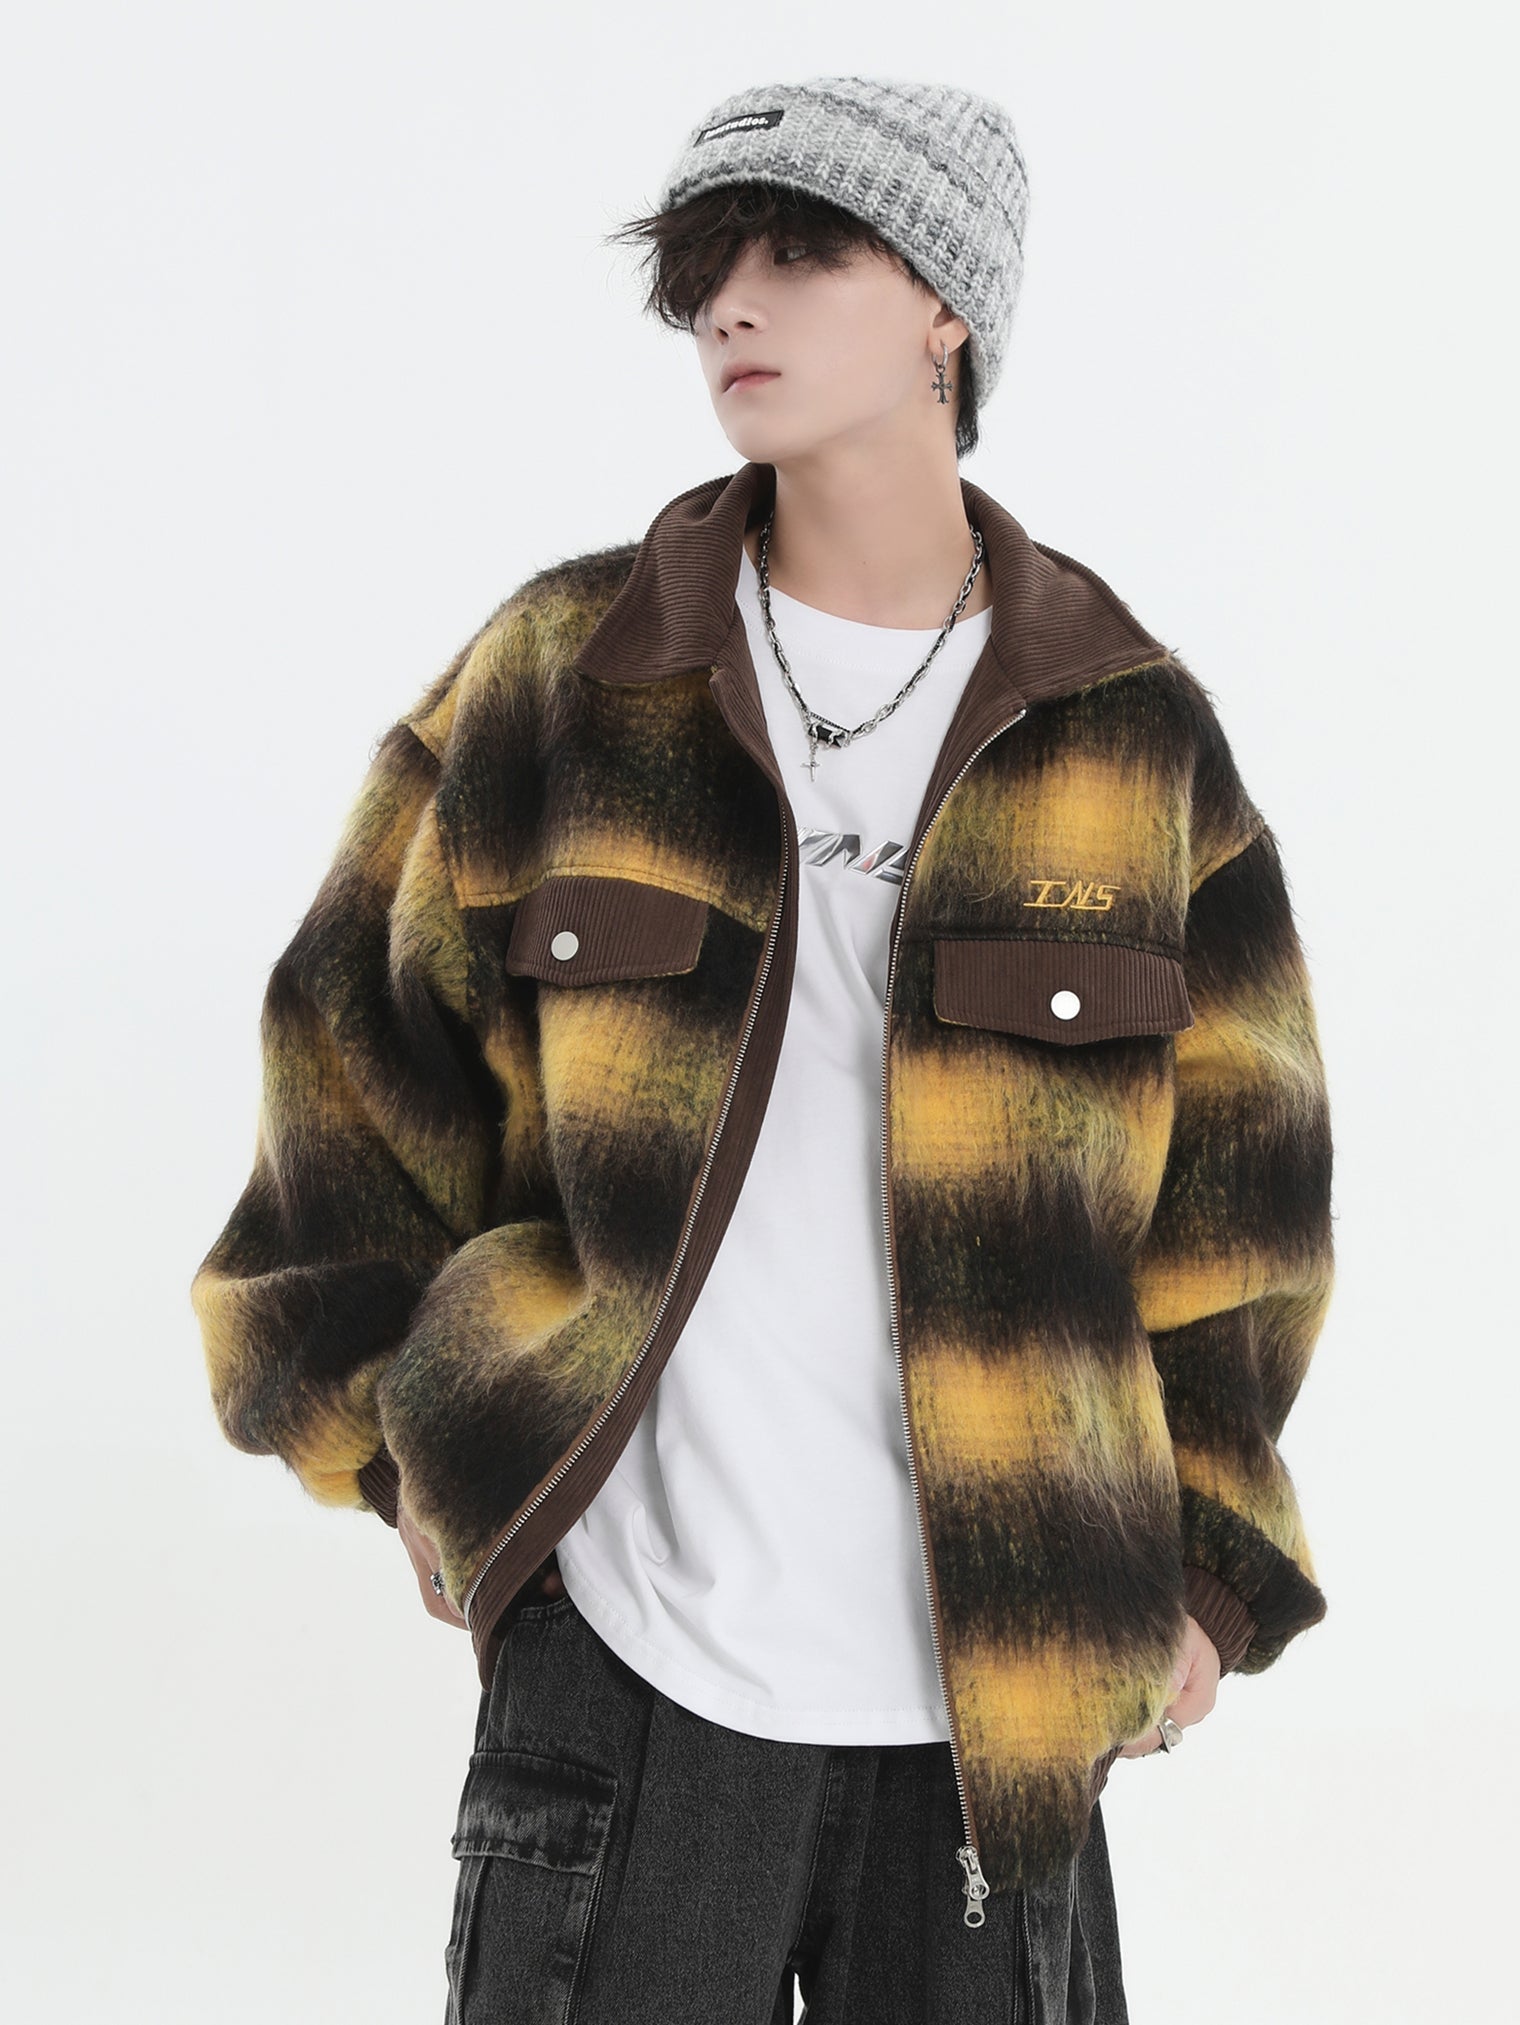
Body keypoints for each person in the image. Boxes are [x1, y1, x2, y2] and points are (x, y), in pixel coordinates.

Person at [190, 74, 1334, 2023]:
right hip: (628, 1677)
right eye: (708, 269)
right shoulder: (564, 679)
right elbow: (349, 1071)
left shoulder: (1124, 729)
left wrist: (1207, 1566)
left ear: (948, 304)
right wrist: (413, 1448)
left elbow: (1242, 1198)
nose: (733, 303)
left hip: (996, 1711)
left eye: (800, 254)